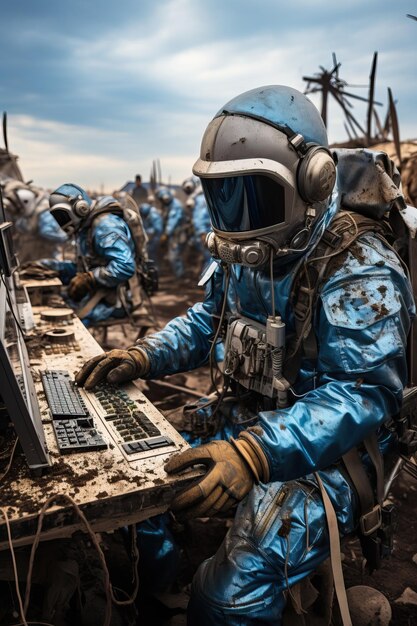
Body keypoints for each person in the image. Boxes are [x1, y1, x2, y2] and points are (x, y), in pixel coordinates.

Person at [75, 85, 415, 625]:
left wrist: (255, 455)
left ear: (312, 181)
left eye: (253, 195)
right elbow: (207, 320)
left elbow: (363, 392)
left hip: (331, 459)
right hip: (248, 423)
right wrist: (144, 356)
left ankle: (213, 602)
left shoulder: (359, 268)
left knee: (228, 597)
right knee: (138, 485)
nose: (237, 218)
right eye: (224, 197)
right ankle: (164, 589)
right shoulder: (248, 252)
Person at [39, 183, 139, 326]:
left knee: (66, 321)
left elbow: (125, 266)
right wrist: (50, 267)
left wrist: (90, 278)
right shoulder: (87, 226)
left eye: (63, 215)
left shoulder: (105, 226)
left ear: (80, 208)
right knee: (56, 303)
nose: (62, 221)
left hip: (117, 299)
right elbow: (85, 267)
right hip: (100, 291)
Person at [1, 178, 68, 262]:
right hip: (31, 256)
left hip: (47, 256)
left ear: (26, 201)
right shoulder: (26, 216)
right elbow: (21, 227)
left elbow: (61, 236)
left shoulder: (44, 211)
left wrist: (46, 232)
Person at [156, 186, 188, 278]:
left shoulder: (175, 206)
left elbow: (172, 221)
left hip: (177, 235)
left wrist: (166, 234)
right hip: (174, 235)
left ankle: (181, 276)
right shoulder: (169, 205)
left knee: (174, 256)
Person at [182, 176, 212, 267]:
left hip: (206, 233)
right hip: (209, 232)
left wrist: (201, 232)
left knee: (210, 259)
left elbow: (200, 218)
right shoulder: (205, 196)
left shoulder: (199, 199)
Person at [138, 199, 164, 267]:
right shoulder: (148, 215)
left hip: (156, 237)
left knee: (152, 253)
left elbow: (157, 228)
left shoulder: (154, 215)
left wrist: (145, 232)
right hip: (151, 237)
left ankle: (155, 268)